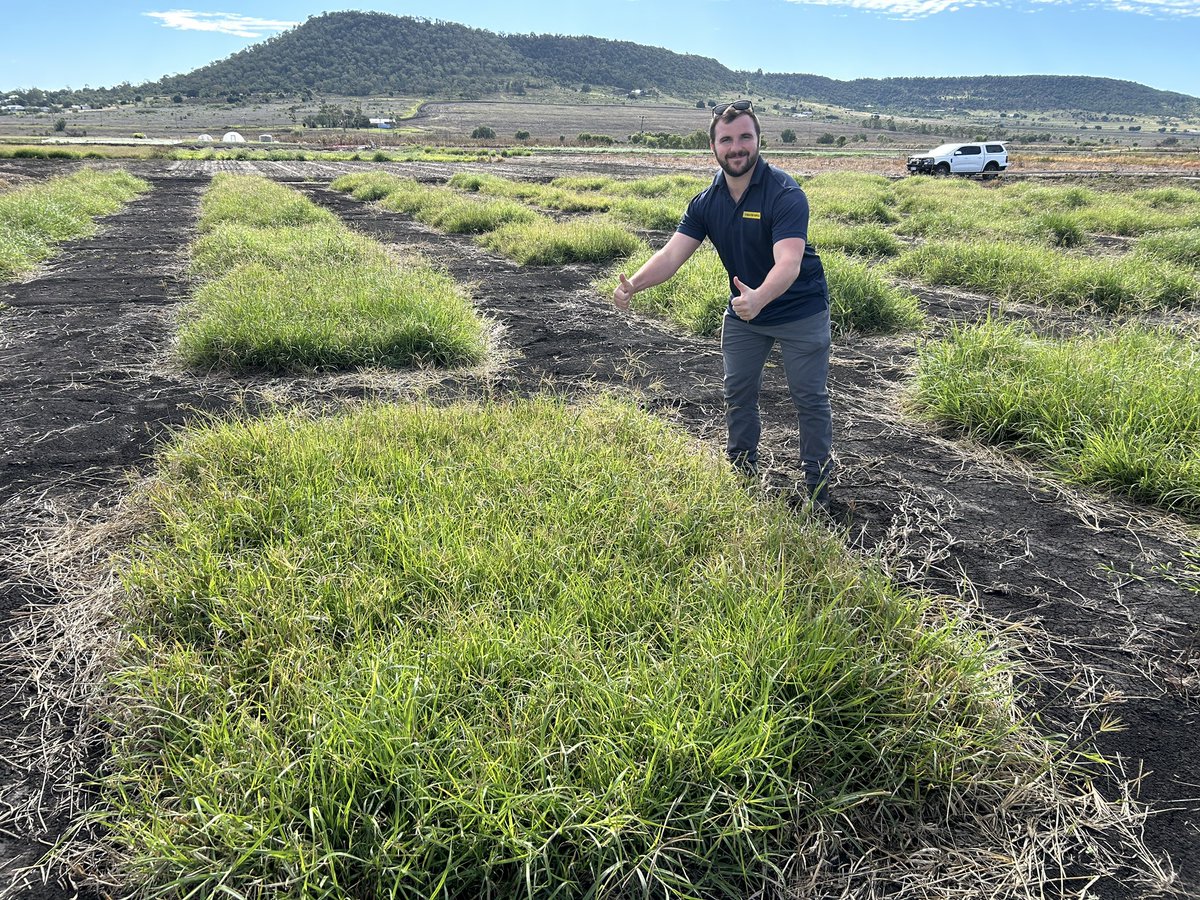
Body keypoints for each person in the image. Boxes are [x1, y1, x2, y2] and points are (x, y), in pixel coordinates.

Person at [613, 99, 834, 509]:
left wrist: (759, 297)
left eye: (745, 137)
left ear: (758, 141)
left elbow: (789, 262)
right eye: (726, 139)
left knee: (809, 398)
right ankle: (742, 471)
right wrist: (634, 285)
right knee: (738, 392)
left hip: (799, 311)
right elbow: (672, 255)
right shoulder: (706, 202)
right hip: (745, 315)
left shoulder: (785, 193)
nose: (737, 147)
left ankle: (818, 487)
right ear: (713, 146)